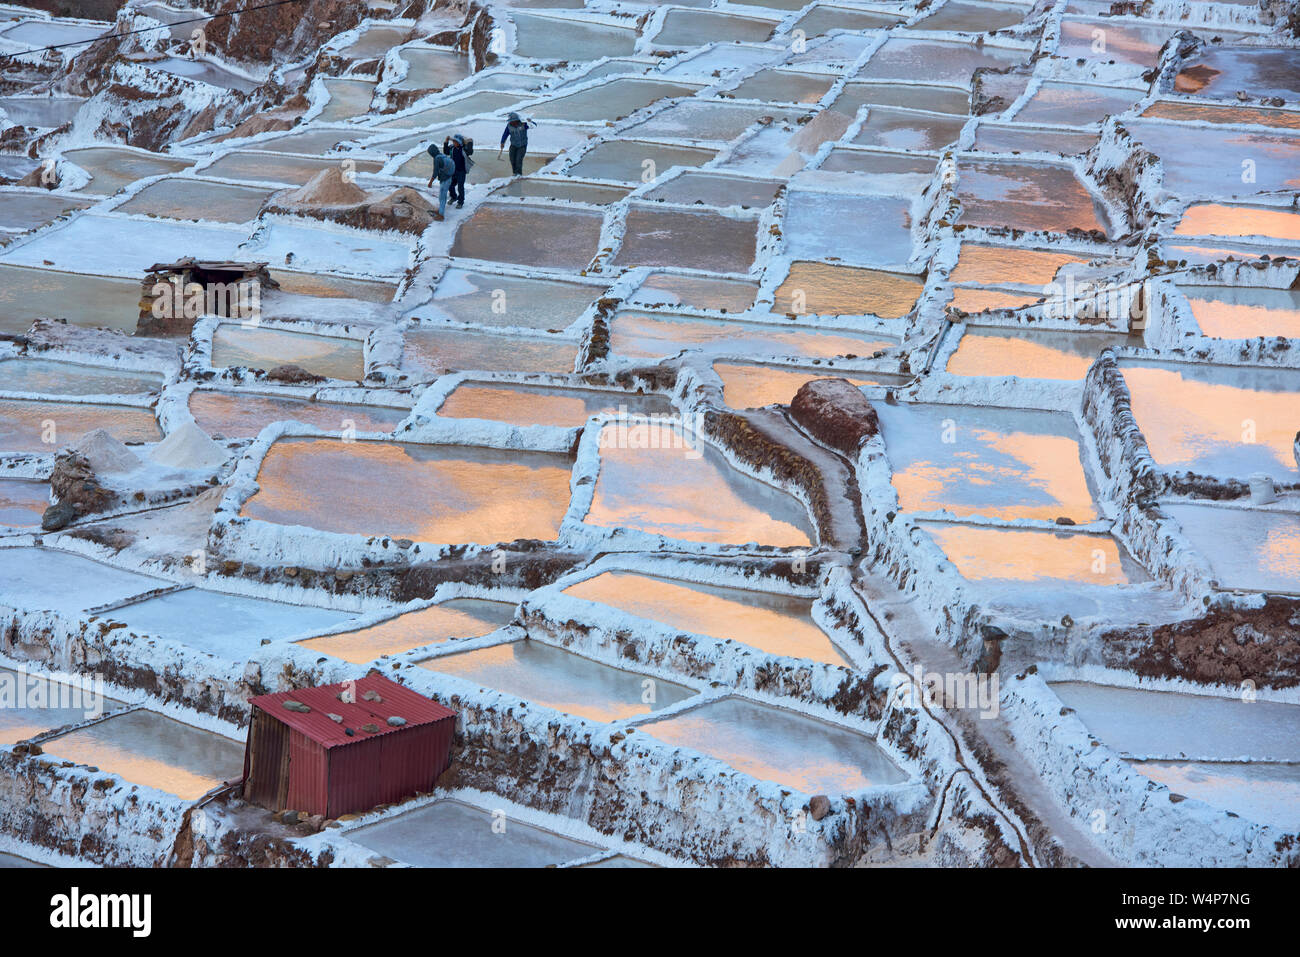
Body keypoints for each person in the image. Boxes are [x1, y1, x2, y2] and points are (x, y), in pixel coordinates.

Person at [498, 112, 534, 176]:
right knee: (512, 159)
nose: (511, 122)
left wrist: (529, 122)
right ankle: (514, 173)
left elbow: (534, 125)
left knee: (518, 160)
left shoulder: (523, 124)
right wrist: (502, 142)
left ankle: (519, 175)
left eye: (512, 121)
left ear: (516, 120)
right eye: (510, 121)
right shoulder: (509, 126)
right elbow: (505, 134)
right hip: (513, 145)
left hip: (522, 145)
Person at [443, 133, 473, 209]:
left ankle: (460, 202)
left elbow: (470, 152)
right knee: (450, 185)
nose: (454, 143)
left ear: (459, 142)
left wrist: (470, 142)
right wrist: (446, 142)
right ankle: (454, 197)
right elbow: (445, 152)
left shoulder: (464, 149)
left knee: (460, 187)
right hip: (453, 171)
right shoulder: (452, 148)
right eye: (453, 141)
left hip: (461, 172)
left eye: (455, 142)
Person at [426, 142, 455, 219]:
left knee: (442, 196)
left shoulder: (437, 159)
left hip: (446, 179)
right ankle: (440, 211)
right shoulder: (441, 155)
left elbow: (435, 173)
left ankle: (441, 215)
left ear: (432, 152)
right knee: (442, 196)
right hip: (449, 177)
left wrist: (430, 183)